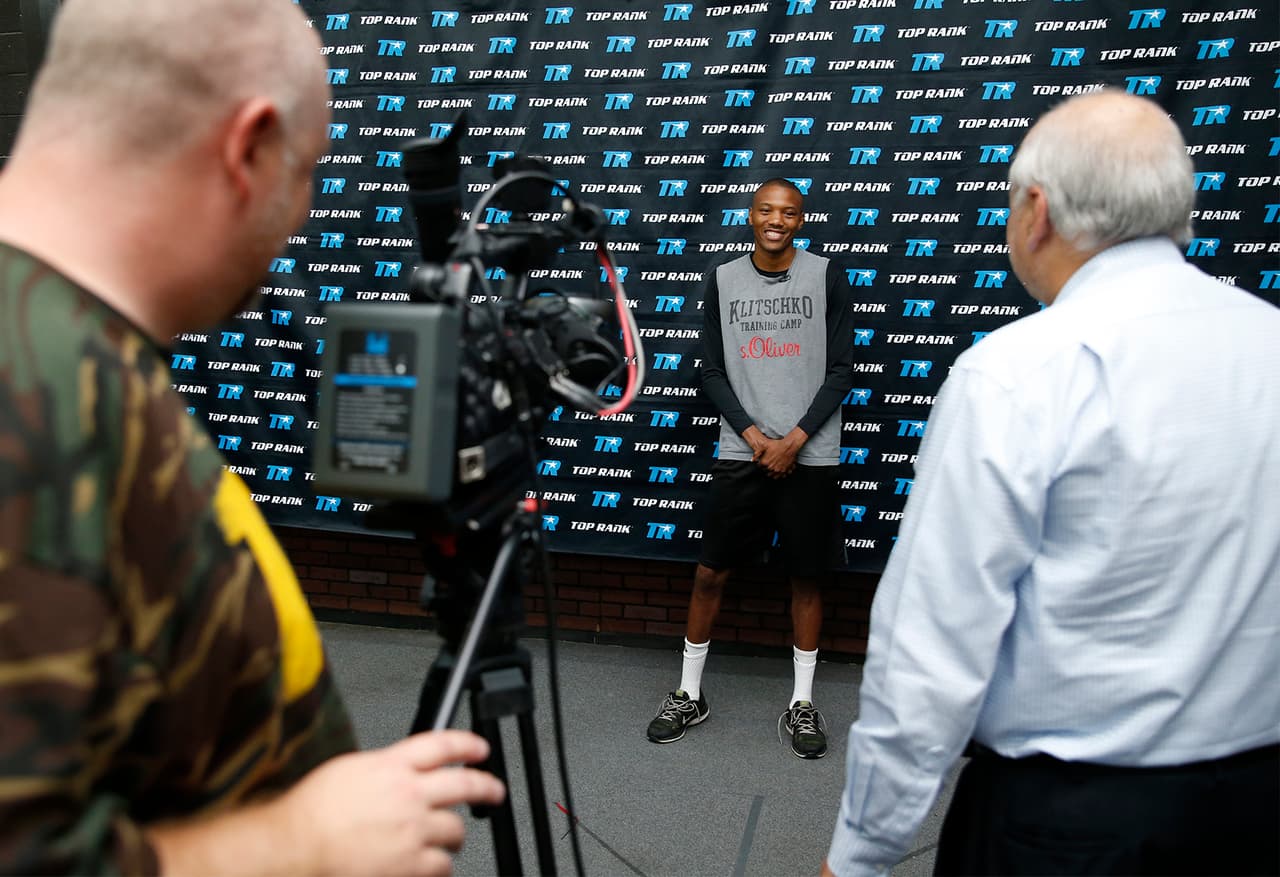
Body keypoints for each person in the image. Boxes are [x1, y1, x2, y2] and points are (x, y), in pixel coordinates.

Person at [0, 2, 504, 874]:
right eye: (304, 174)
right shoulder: (33, 385)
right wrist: (298, 844)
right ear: (249, 148)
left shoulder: (77, 350)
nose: (297, 221)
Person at [823, 90, 1280, 876]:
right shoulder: (1269, 341)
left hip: (1065, 832)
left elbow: (931, 652)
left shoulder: (1014, 374)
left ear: (1036, 210)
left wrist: (861, 852)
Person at [646, 179, 855, 759]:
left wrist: (794, 439)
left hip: (808, 453)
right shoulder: (721, 278)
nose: (776, 220)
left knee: (806, 578)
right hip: (744, 451)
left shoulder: (826, 275)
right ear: (751, 214)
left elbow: (841, 370)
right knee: (710, 573)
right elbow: (710, 371)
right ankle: (689, 693)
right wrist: (756, 436)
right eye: (767, 210)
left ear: (800, 220)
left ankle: (802, 704)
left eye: (788, 213)